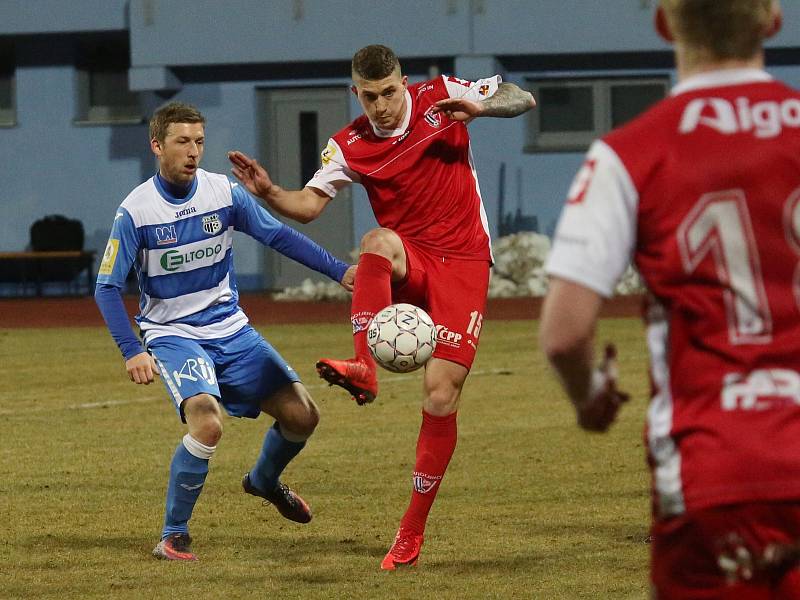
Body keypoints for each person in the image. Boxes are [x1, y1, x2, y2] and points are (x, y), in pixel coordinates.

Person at [228, 45, 535, 569]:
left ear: (403, 83)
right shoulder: (347, 144)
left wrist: (482, 107)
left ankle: (410, 534)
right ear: (357, 94)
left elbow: (520, 97)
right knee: (376, 239)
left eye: (389, 92)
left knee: (440, 394)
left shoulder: (440, 96)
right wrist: (269, 191)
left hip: (463, 262)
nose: (382, 105)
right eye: (369, 97)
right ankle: (363, 369)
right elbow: (308, 204)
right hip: (410, 257)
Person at [539, 1, 800, 596]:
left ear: (663, 24)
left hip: (714, 471)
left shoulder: (629, 153)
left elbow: (564, 334)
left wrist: (589, 397)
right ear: (773, 19)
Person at [95, 101, 355, 561]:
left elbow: (280, 236)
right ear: (157, 145)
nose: (193, 151)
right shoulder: (136, 211)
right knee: (207, 420)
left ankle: (263, 482)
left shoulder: (224, 193)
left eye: (199, 141)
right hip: (173, 333)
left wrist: (339, 272)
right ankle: (173, 535)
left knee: (303, 416)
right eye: (181, 141)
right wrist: (130, 350)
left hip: (231, 329)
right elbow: (106, 287)